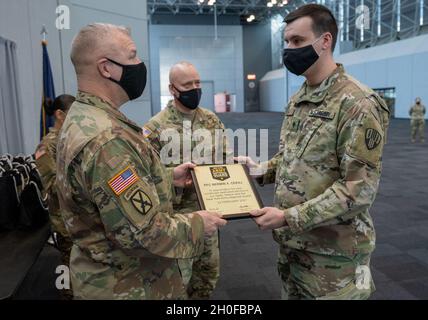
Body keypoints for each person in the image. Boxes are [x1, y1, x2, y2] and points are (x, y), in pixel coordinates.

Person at [56, 23, 226, 300]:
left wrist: (169, 178)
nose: (140, 64)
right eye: (133, 56)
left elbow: (107, 195)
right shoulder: (109, 140)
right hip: (130, 284)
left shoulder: (85, 117)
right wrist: (199, 223)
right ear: (106, 68)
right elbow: (143, 234)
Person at [236, 4, 390, 300]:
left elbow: (358, 191)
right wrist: (260, 170)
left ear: (325, 41)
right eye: (286, 42)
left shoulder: (357, 103)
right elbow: (293, 158)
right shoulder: (299, 100)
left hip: (337, 260)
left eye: (297, 41)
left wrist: (288, 217)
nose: (289, 49)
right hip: (295, 250)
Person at [143, 61, 233, 299]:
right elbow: (147, 177)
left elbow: (225, 160)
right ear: (173, 89)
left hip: (210, 218)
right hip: (177, 223)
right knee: (177, 285)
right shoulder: (155, 128)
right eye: (187, 84)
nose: (194, 89)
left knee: (206, 280)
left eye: (197, 82)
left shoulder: (211, 120)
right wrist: (172, 177)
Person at [35, 94, 75, 299]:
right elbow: (51, 186)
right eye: (73, 114)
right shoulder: (47, 147)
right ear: (59, 115)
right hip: (64, 223)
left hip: (81, 221)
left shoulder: (73, 141)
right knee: (68, 277)